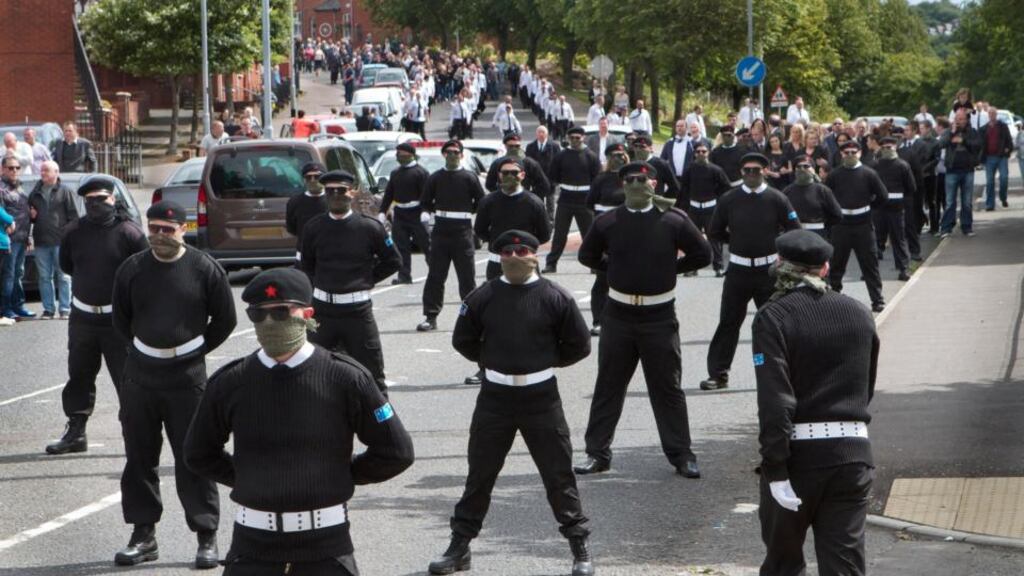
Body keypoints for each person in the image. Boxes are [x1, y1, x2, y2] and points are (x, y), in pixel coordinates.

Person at [185, 267, 415, 576]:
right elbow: (199, 453)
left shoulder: (346, 378)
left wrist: (340, 476)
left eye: (281, 312)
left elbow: (396, 451)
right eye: (258, 314)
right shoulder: (230, 382)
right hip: (252, 547)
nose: (269, 322)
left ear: (306, 313)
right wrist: (248, 478)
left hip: (325, 547)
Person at [429, 230, 594, 576]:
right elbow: (464, 340)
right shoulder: (483, 296)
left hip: (541, 397)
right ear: (498, 256)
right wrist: (493, 361)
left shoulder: (554, 296)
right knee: (480, 476)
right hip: (495, 397)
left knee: (558, 475)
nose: (515, 256)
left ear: (534, 255)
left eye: (522, 250)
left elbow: (578, 345)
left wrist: (543, 362)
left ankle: (579, 547)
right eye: (507, 251)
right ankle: (459, 548)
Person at [111, 200, 236, 568]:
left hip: (187, 378)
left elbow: (225, 321)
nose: (160, 236)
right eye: (154, 229)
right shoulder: (132, 269)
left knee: (193, 456)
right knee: (139, 457)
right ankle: (143, 535)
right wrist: (145, 352)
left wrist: (192, 352)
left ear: (183, 229)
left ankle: (206, 535)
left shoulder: (204, 268)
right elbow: (121, 321)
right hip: (141, 376)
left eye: (168, 229)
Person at [575, 161, 711, 478]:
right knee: (608, 386)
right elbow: (587, 255)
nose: (637, 183)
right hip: (619, 315)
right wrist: (617, 269)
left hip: (659, 316)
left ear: (655, 185)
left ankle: (682, 455)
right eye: (631, 179)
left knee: (667, 388)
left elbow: (702, 254)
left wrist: (667, 269)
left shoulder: (674, 220)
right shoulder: (608, 221)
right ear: (622, 185)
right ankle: (597, 454)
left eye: (644, 179)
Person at [753, 229, 878, 576]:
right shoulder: (859, 312)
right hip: (853, 453)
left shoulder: (774, 316)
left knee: (784, 564)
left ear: (780, 264)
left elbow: (776, 400)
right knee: (845, 565)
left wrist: (774, 466)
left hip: (799, 459)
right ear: (825, 268)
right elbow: (865, 386)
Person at [44, 177, 148, 455]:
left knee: (128, 379)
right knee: (78, 375)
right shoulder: (73, 231)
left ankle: (136, 434)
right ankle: (76, 432)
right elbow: (67, 266)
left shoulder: (130, 233)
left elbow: (145, 272)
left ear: (113, 200)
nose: (96, 205)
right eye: (90, 201)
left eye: (101, 199)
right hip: (83, 317)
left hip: (118, 319)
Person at [701, 153, 801, 391]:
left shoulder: (777, 198)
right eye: (746, 170)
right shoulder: (729, 199)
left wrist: (778, 251)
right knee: (728, 323)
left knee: (776, 324)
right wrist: (735, 241)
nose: (750, 175)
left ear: (765, 171)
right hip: (738, 270)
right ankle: (718, 374)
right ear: (740, 173)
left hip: (769, 272)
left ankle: (784, 373)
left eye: (755, 170)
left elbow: (794, 229)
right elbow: (715, 231)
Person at [299, 170, 401, 395]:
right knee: (313, 371)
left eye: (341, 191)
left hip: (358, 311)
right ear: (325, 195)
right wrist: (319, 286)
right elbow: (306, 265)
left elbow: (393, 261)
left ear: (352, 193)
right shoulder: (313, 227)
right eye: (330, 191)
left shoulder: (369, 227)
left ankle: (381, 425)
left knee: (372, 375)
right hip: (323, 311)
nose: (336, 195)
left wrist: (366, 280)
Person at [417, 140, 485, 338]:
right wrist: (425, 212)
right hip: (441, 230)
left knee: (467, 277)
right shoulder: (435, 178)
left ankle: (472, 317)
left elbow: (481, 201)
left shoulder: (470, 177)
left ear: (461, 155)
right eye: (449, 152)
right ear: (444, 155)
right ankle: (430, 316)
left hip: (463, 230)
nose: (452, 155)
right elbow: (425, 201)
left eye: (456, 152)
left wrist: (468, 213)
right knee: (436, 276)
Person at [825, 140, 888, 312]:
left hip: (863, 225)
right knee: (836, 265)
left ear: (860, 153)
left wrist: (870, 209)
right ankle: (833, 300)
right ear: (841, 154)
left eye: (854, 152)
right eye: (847, 152)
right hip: (841, 225)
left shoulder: (869, 173)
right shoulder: (834, 174)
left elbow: (883, 195)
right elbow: (825, 197)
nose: (850, 155)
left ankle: (877, 300)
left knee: (870, 265)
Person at [475, 157, 551, 281]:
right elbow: (480, 230)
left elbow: (545, 234)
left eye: (514, 172)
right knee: (497, 300)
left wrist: (524, 246)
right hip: (497, 262)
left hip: (526, 262)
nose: (509, 176)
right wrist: (498, 242)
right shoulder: (488, 201)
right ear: (499, 175)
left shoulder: (534, 202)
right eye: (505, 173)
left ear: (522, 175)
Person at [585, 144, 629, 334]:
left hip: (626, 231)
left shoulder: (629, 180)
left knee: (627, 278)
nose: (618, 158)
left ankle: (625, 320)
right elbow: (590, 202)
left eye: (622, 154)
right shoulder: (601, 179)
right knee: (602, 280)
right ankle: (598, 321)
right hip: (604, 232)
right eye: (615, 155)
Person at [543, 127, 600, 274]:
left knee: (588, 235)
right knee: (559, 235)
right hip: (566, 198)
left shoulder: (591, 156)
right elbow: (553, 175)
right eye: (572, 138)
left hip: (585, 199)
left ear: (583, 138)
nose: (575, 140)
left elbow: (597, 179)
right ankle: (551, 264)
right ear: (568, 138)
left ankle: (594, 264)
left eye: (578, 138)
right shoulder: (561, 156)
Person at [28, 160, 77, 319]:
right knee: (44, 277)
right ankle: (48, 309)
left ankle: (65, 309)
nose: (42, 173)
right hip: (41, 241)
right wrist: (32, 217)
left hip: (61, 242)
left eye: (46, 171)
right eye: (42, 170)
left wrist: (69, 237)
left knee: (63, 276)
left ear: (56, 173)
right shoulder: (35, 193)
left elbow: (73, 217)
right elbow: (30, 218)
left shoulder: (65, 191)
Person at [380, 143, 431, 285]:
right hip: (400, 213)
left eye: (401, 155)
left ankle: (435, 272)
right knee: (401, 246)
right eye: (397, 155)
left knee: (426, 244)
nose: (398, 158)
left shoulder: (421, 173)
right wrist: (382, 212)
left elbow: (427, 194)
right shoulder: (395, 173)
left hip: (417, 213)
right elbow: (389, 194)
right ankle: (404, 275)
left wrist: (426, 211)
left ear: (410, 155)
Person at [677, 140, 731, 277]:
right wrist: (682, 207)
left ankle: (718, 267)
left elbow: (726, 187)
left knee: (714, 238)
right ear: (694, 154)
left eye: (704, 151)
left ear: (708, 152)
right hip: (694, 208)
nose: (701, 154)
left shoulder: (716, 170)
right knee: (693, 239)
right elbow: (684, 190)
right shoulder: (689, 170)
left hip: (711, 208)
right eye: (698, 151)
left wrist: (720, 204)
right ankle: (692, 267)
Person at [871, 136, 915, 281]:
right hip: (881, 207)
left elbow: (911, 187)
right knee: (878, 240)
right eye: (884, 147)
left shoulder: (902, 165)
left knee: (898, 239)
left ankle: (903, 269)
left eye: (890, 146)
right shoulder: (876, 165)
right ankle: (870, 271)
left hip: (894, 207)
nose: (887, 149)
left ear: (896, 147)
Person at [938, 110, 982, 237]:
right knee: (950, 201)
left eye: (961, 119)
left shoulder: (972, 132)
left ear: (966, 120)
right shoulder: (948, 131)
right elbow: (941, 144)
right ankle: (946, 228)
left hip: (967, 170)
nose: (959, 121)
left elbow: (977, 145)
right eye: (957, 118)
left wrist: (963, 141)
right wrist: (951, 133)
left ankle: (967, 227)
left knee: (967, 201)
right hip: (952, 170)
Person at [0, 156, 34, 320]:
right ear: (3, 169)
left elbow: (25, 213)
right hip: (8, 239)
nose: (14, 171)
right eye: (11, 167)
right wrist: (7, 224)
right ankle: (6, 309)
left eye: (17, 167)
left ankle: (18, 306)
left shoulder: (20, 188)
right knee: (8, 275)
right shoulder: (1, 189)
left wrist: (28, 236)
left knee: (18, 274)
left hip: (21, 237)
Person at [782, 155, 842, 239]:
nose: (802, 169)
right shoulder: (787, 191)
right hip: (794, 234)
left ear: (813, 169)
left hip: (817, 234)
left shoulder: (823, 190)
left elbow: (837, 215)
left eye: (806, 166)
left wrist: (822, 225)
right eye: (798, 166)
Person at [485, 133, 552, 202]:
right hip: (504, 202)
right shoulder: (497, 163)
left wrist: (529, 196)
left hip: (525, 203)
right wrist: (501, 194)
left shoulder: (530, 163)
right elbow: (489, 184)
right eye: (511, 146)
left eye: (517, 146)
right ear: (505, 146)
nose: (514, 149)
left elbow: (544, 185)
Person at [286, 162, 329, 260]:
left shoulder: (332, 200)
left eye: (317, 176)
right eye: (308, 177)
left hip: (328, 255)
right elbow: (292, 229)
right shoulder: (294, 202)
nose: (313, 180)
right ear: (304, 180)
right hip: (303, 255)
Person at [980, 106, 1013, 211]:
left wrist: (1008, 149)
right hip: (989, 158)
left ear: (996, 115)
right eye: (990, 114)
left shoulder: (1003, 126)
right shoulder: (984, 129)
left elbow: (1009, 140)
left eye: (993, 113)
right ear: (988, 115)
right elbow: (980, 144)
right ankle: (990, 204)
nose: (992, 115)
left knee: (1004, 178)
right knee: (989, 182)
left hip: (1001, 157)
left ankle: (1003, 197)